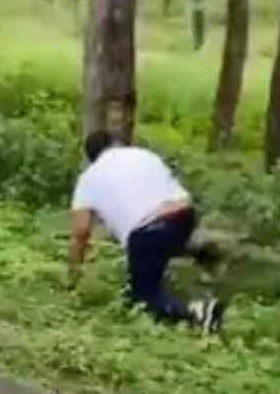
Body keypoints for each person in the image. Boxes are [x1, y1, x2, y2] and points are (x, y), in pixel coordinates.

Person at [67, 130, 225, 334]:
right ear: (116, 144)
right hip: (184, 214)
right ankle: (200, 253)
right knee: (162, 246)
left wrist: (73, 275)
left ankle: (198, 312)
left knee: (144, 296)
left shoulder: (88, 179)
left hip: (148, 229)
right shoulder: (144, 155)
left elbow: (80, 232)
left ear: (91, 157)